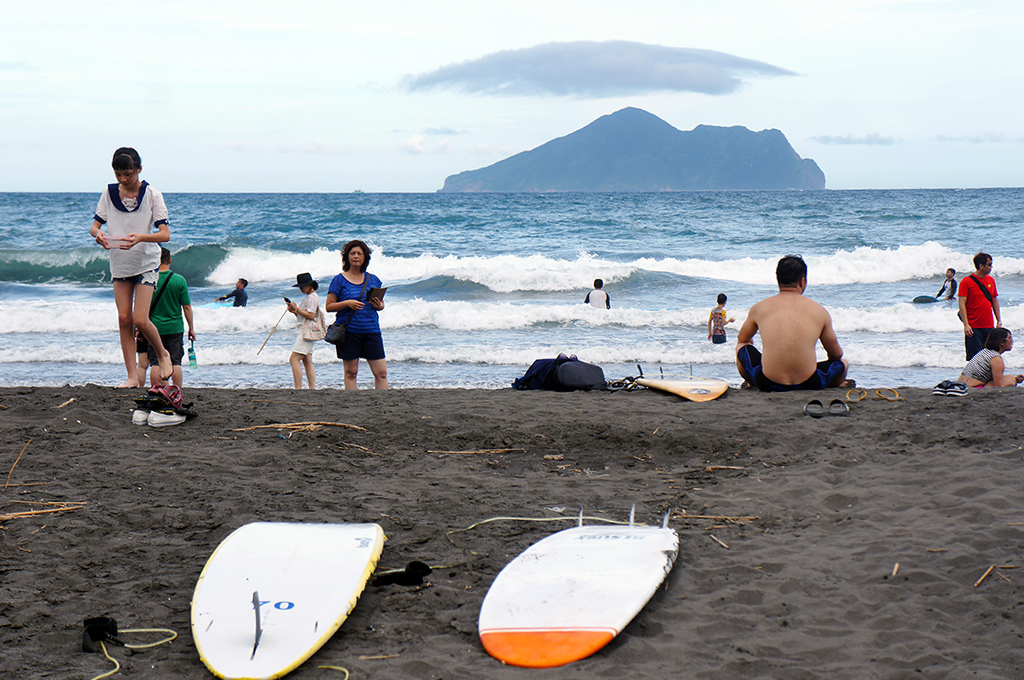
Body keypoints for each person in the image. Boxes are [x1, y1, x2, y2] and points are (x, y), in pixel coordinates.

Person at [88, 147, 173, 387]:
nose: (124, 179)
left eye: (128, 174)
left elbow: (165, 234)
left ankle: (163, 354)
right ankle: (132, 377)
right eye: (119, 174)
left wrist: (141, 237)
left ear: (139, 170)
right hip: (120, 262)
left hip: (146, 261)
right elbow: (94, 227)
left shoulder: (152, 194)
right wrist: (99, 235)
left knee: (140, 318)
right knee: (124, 318)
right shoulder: (109, 192)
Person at [735, 255, 849, 391]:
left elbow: (742, 339)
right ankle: (833, 384)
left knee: (741, 347)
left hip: (767, 383)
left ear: (778, 280)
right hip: (810, 383)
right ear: (802, 281)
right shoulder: (819, 310)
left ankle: (751, 382)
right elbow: (836, 354)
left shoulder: (759, 308)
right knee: (843, 363)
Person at [326, 240, 388, 389]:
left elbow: (381, 304)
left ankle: (384, 405)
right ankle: (351, 405)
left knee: (381, 373)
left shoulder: (373, 279)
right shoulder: (339, 280)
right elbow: (329, 306)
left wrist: (379, 305)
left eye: (359, 253)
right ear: (347, 257)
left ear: (365, 257)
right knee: (351, 372)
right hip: (349, 332)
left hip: (371, 330)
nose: (356, 256)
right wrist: (347, 303)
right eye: (352, 253)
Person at [146, 247, 195, 387]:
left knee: (155, 362)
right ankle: (176, 392)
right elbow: (186, 307)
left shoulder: (150, 280)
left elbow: (144, 307)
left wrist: (139, 328)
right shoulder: (179, 280)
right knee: (175, 362)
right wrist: (191, 328)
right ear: (170, 260)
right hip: (175, 327)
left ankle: (156, 391)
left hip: (154, 328)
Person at [958, 252, 1000, 361]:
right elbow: (962, 304)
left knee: (990, 358)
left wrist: (999, 321)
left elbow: (994, 301)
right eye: (989, 265)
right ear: (981, 266)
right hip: (974, 327)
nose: (991, 267)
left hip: (989, 325)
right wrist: (966, 325)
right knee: (975, 359)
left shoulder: (991, 280)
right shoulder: (966, 282)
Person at [286, 272, 324, 389]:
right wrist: (295, 311)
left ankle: (298, 388)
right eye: (300, 286)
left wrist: (296, 308)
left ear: (310, 285)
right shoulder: (310, 297)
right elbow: (304, 316)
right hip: (305, 330)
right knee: (307, 360)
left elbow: (311, 315)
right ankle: (311, 388)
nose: (301, 288)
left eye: (303, 286)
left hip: (306, 331)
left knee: (294, 359)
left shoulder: (312, 297)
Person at [956, 328, 1023, 388]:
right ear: (1002, 342)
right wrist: (1014, 380)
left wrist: (1016, 379)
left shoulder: (985, 352)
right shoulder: (996, 359)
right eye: (1010, 338)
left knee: (1011, 378)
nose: (1012, 341)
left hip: (961, 385)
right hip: (974, 387)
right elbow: (998, 386)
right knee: (1010, 378)